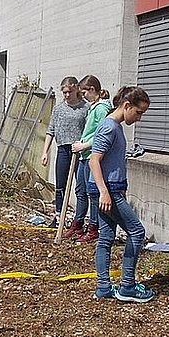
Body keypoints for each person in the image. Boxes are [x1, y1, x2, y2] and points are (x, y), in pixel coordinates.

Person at [89, 86, 154, 303]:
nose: (139, 118)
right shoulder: (110, 127)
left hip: (109, 189)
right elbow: (93, 160)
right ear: (127, 106)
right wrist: (104, 192)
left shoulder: (113, 125)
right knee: (136, 232)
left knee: (106, 238)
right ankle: (127, 286)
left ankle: (104, 287)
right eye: (138, 112)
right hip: (108, 191)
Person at [41, 77, 88, 228]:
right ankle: (59, 216)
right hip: (63, 149)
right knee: (60, 185)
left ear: (76, 90)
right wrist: (45, 152)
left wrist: (83, 146)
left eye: (70, 92)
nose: (67, 95)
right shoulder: (58, 109)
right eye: (64, 92)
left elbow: (89, 130)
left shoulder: (85, 108)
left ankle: (78, 220)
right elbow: (51, 130)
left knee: (81, 187)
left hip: (79, 151)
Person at [69, 79, 111, 242]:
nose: (83, 96)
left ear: (93, 89)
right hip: (83, 155)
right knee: (80, 191)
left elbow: (103, 134)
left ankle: (93, 227)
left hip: (92, 155)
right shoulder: (93, 108)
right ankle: (78, 223)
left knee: (92, 193)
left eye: (84, 92)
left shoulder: (102, 109)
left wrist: (85, 145)